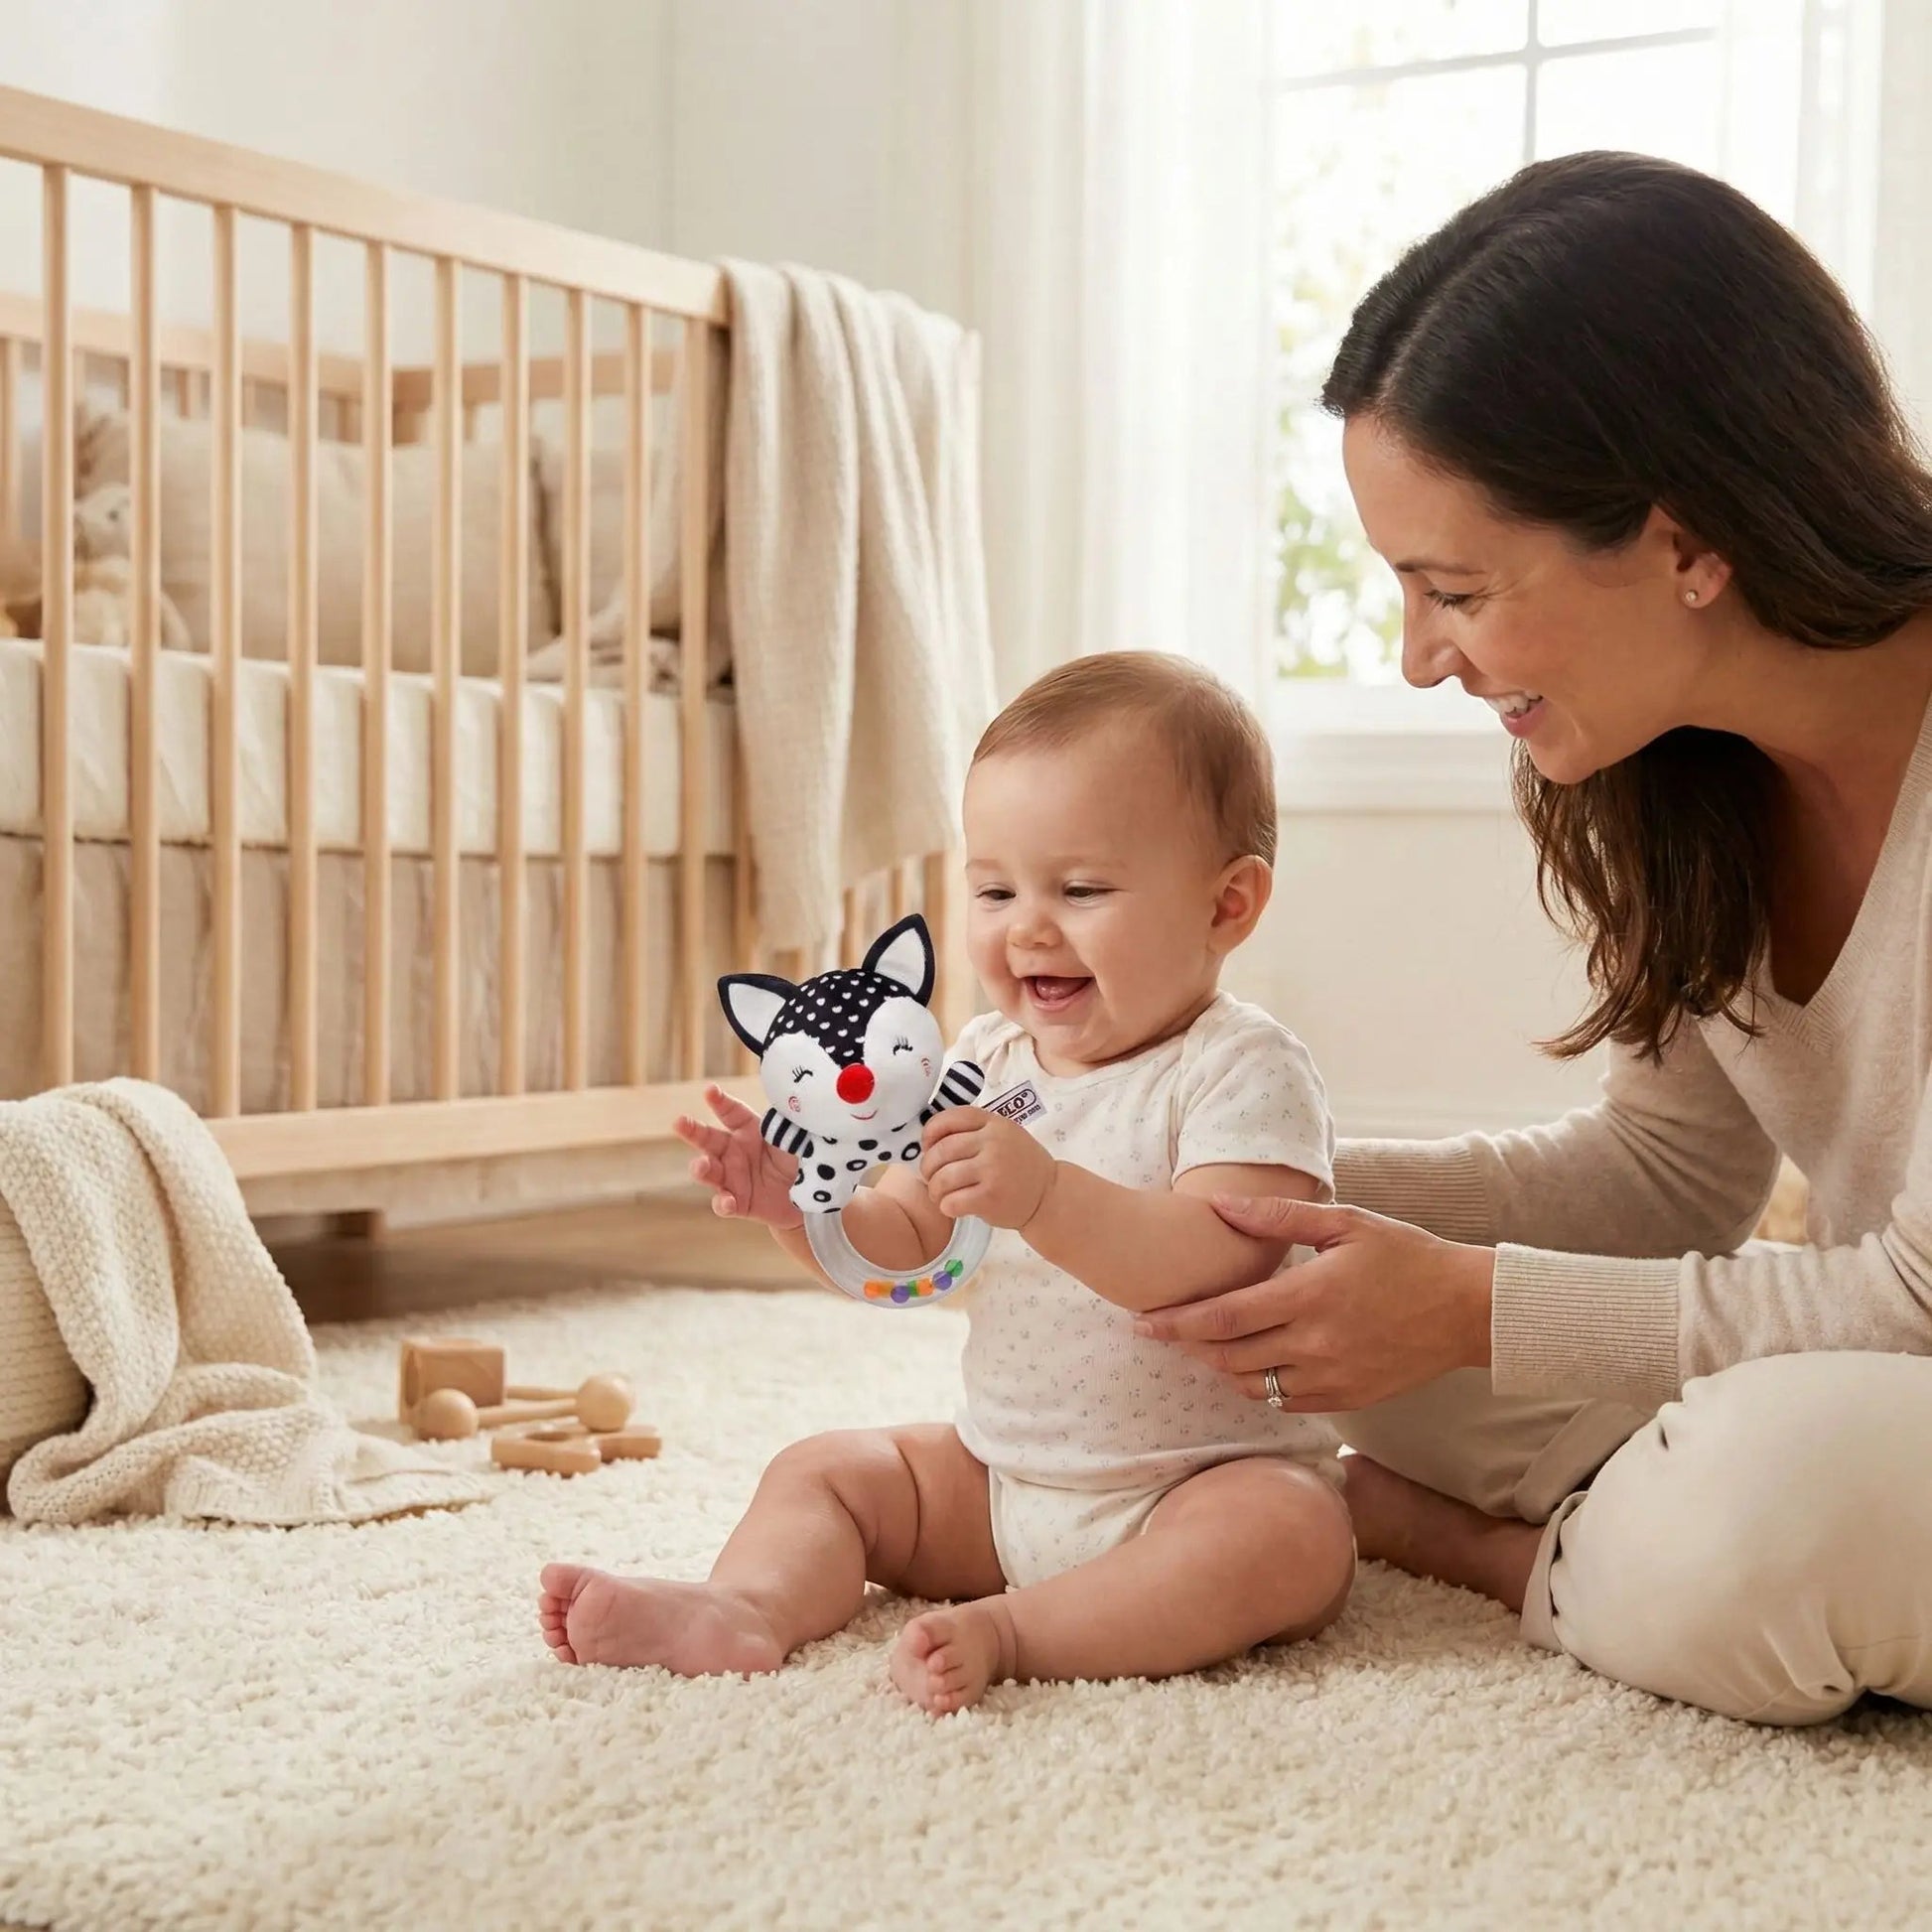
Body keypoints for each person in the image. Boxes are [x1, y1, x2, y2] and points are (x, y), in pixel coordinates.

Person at [1134, 149, 1932, 1726]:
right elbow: (1662, 1179)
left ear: (1685, 541)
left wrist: (1468, 1304)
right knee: (1270, 1309)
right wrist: (1235, 1185)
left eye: (1453, 589)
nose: (1419, 658)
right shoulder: (1682, 777)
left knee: (1767, 1506)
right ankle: (1618, 1534)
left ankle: (1515, 1558)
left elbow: (1914, 1305)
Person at [537, 653, 1355, 1713]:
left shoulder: (1238, 1064)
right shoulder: (985, 1059)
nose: (1027, 925)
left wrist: (1047, 1197)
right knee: (824, 1466)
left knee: (1290, 1535)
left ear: (1226, 904)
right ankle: (741, 1606)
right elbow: (912, 1241)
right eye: (994, 886)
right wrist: (806, 1206)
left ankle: (1017, 1630)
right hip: (999, 1476)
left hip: (1192, 1482)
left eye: (1082, 888)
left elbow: (1218, 1253)